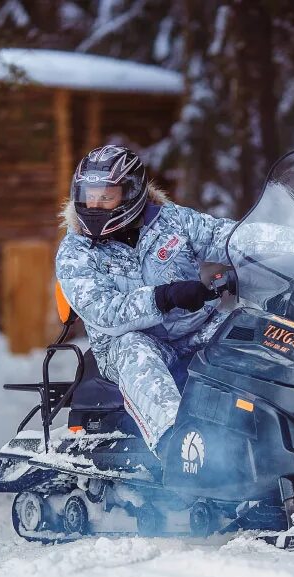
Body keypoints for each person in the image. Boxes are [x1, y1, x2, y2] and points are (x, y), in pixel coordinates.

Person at [55, 145, 237, 454]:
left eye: (105, 195)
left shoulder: (174, 222)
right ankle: (178, 447)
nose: (95, 205)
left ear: (130, 193)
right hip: (126, 345)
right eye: (89, 195)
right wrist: (164, 296)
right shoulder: (76, 251)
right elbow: (105, 312)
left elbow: (230, 237)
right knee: (134, 347)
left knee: (249, 328)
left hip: (195, 330)